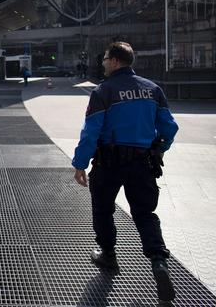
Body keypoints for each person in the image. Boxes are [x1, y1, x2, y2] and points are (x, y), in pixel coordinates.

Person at [72, 42, 179, 303]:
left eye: (106, 58)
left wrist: (80, 163)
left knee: (103, 209)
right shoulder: (153, 90)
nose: (103, 63)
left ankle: (108, 255)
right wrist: (160, 148)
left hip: (109, 164)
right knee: (145, 214)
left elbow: (91, 132)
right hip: (142, 164)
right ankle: (158, 262)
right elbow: (169, 128)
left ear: (117, 61)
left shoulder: (103, 92)